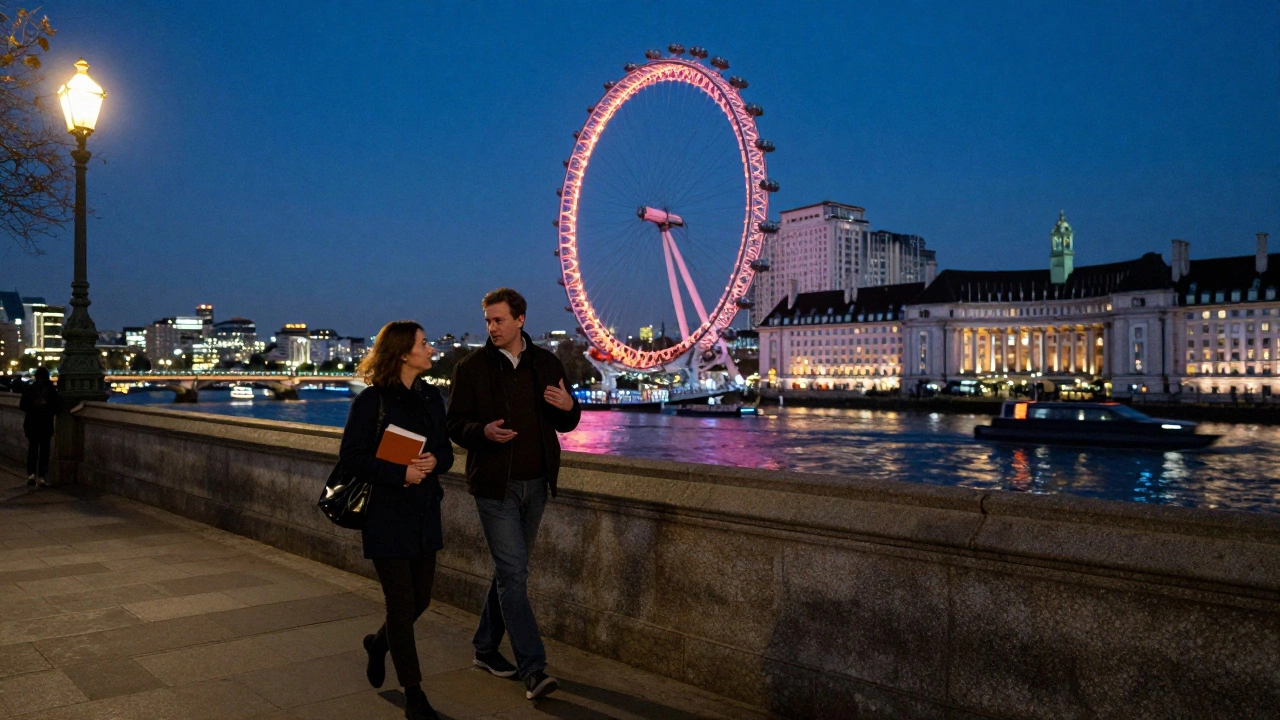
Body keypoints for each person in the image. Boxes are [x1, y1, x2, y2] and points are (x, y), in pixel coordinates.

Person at [446, 288, 581, 701]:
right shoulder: (471, 368)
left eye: (499, 320)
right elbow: (455, 424)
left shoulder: (546, 363)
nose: (492, 327)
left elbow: (567, 424)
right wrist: (481, 433)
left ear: (520, 320)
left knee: (510, 573)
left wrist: (569, 406)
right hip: (495, 486)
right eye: (488, 320)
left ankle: (486, 648)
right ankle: (533, 667)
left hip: (537, 484)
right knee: (514, 573)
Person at [339, 321, 453, 720]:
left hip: (424, 513)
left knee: (420, 599)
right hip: (386, 515)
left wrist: (435, 460)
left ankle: (378, 644)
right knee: (402, 605)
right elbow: (351, 457)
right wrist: (398, 473)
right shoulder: (372, 401)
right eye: (425, 343)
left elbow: (446, 452)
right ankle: (415, 697)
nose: (431, 349)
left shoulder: (432, 398)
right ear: (405, 353)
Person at [19, 367, 62, 487]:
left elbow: (22, 406)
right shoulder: (51, 390)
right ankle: (42, 477)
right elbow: (57, 407)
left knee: (32, 449)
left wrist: (33, 405)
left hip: (32, 424)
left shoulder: (29, 389)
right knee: (44, 451)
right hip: (45, 424)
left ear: (36, 376)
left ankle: (31, 475)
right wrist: (46, 405)